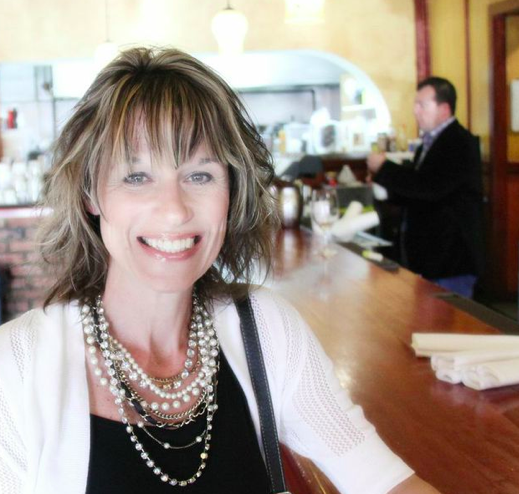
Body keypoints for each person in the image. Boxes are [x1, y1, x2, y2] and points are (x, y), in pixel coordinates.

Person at [0, 47, 441, 494]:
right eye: (137, 177)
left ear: (232, 191)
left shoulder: (266, 329)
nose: (174, 210)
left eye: (200, 176)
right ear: (91, 194)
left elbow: (383, 480)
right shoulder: (15, 368)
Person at [367, 77, 484, 298]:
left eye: (422, 105)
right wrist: (385, 186)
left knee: (447, 318)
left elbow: (430, 188)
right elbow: (415, 192)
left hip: (451, 259)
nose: (416, 111)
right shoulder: (428, 143)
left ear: (444, 108)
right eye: (415, 105)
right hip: (432, 258)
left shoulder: (459, 142)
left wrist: (384, 168)